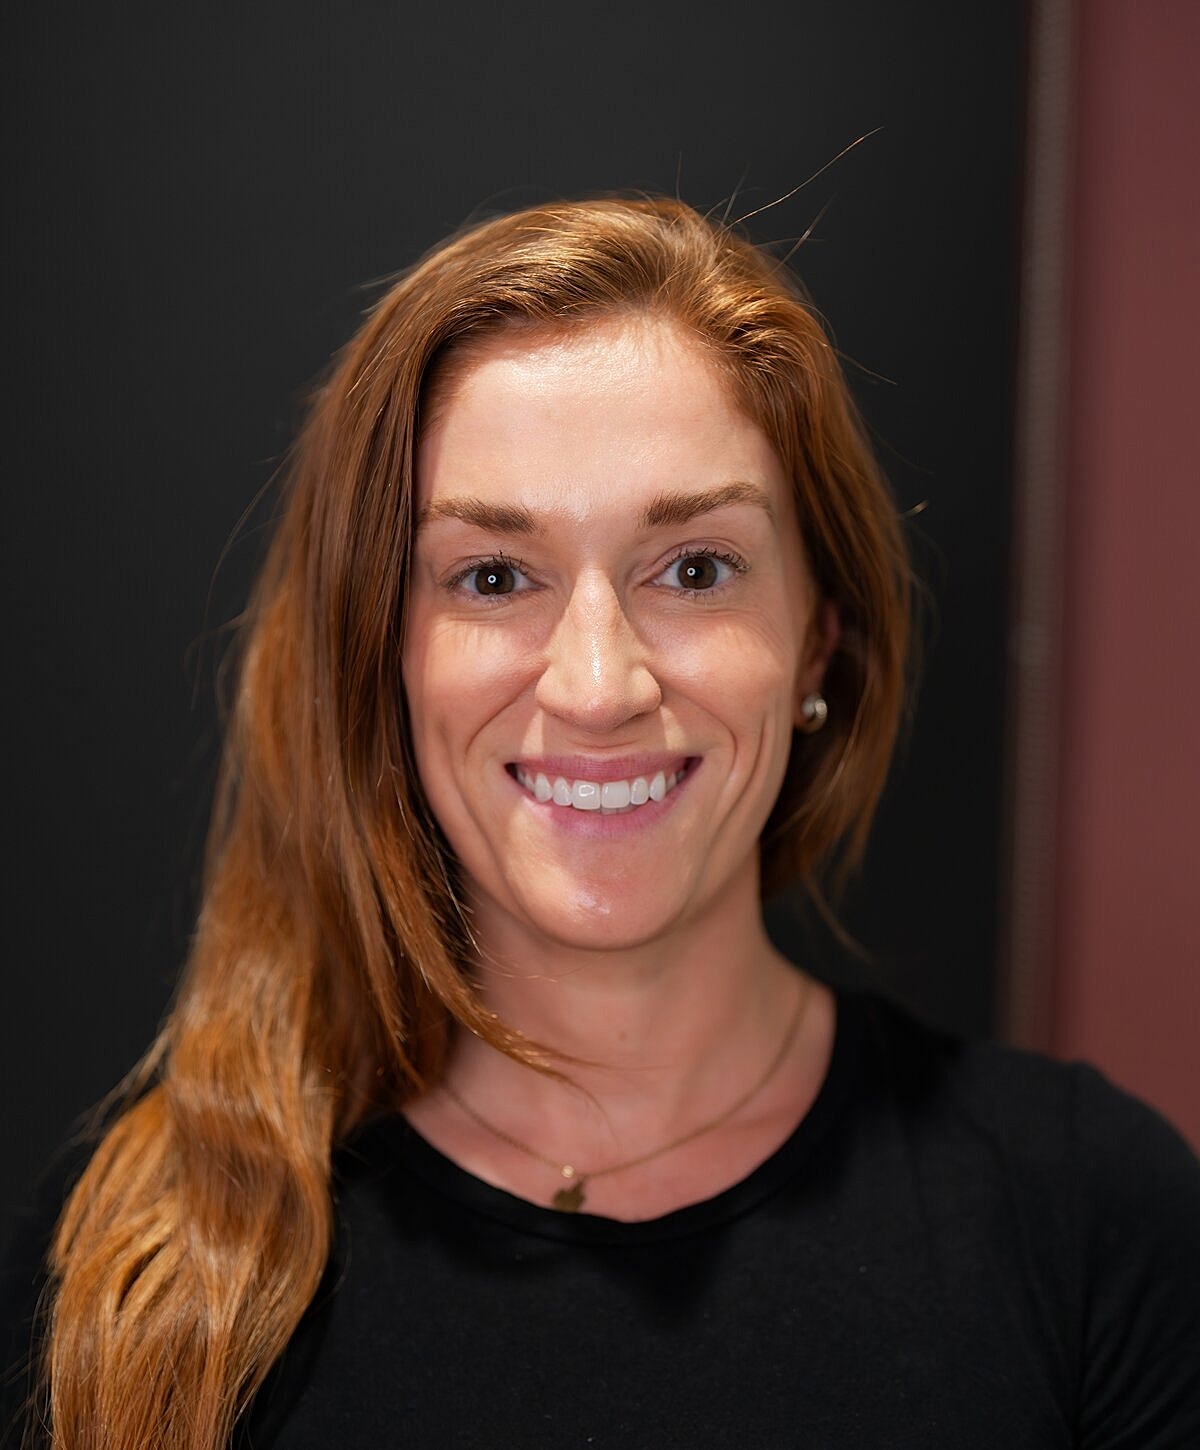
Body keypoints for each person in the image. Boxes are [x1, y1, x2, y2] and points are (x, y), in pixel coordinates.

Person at [3, 196, 1198, 1449]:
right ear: (380, 660)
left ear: (819, 641)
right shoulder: (130, 1266)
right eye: (493, 576)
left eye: (693, 568)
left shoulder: (1089, 1224)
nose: (596, 685)